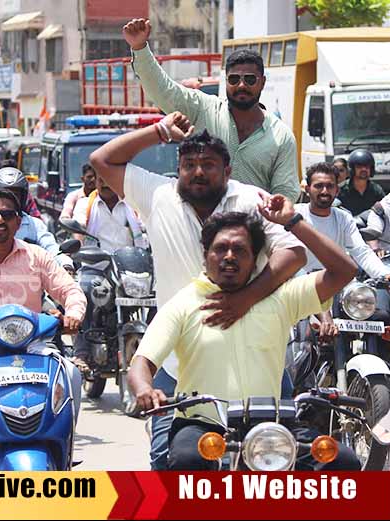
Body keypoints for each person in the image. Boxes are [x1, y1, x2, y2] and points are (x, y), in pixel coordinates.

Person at [89, 112, 307, 470]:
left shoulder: (251, 199)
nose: (198, 172)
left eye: (208, 164)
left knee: (275, 462)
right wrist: (159, 131)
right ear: (178, 169)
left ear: (228, 170)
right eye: (189, 164)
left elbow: (294, 252)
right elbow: (102, 159)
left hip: (259, 361)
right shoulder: (158, 194)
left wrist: (245, 299)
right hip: (179, 364)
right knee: (169, 461)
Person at [127, 209, 361, 471]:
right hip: (203, 425)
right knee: (186, 461)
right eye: (221, 248)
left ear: (254, 259)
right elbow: (143, 361)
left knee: (342, 461)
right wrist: (145, 389)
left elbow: (344, 270)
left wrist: (294, 223)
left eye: (240, 250)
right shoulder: (183, 303)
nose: (229, 256)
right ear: (205, 256)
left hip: (271, 425)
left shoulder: (282, 298)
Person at [0, 188, 86, 470]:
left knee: (71, 373)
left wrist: (73, 314)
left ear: (18, 221)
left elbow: (70, 290)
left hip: (31, 347)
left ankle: (63, 452)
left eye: (7, 214)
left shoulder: (36, 256)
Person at [122, 18, 301, 203]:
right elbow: (163, 91)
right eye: (233, 79)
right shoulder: (203, 108)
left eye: (249, 79)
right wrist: (139, 48)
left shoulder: (281, 136)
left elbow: (285, 193)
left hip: (252, 228)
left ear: (262, 82)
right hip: (201, 228)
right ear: (225, 80)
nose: (241, 85)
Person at [296, 162, 390, 280]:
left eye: (330, 186)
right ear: (307, 189)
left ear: (336, 190)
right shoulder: (294, 215)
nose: (324, 191)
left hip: (335, 286)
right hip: (300, 286)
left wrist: (384, 274)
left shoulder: (344, 218)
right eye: (318, 186)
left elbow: (361, 252)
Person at [0, 168, 73, 269]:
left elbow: (51, 247)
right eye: (5, 195)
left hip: (29, 283)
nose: (10, 200)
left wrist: (65, 263)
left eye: (15, 195)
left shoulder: (33, 224)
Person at [72, 173, 147, 252]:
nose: (105, 184)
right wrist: (78, 246)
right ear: (96, 182)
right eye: (101, 180)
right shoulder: (84, 204)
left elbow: (146, 226)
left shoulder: (134, 205)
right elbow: (78, 227)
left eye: (109, 180)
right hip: (95, 262)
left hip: (130, 261)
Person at [337, 149, 386, 217]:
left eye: (367, 167)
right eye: (359, 166)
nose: (364, 169)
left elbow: (385, 210)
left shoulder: (376, 190)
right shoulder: (340, 190)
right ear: (352, 169)